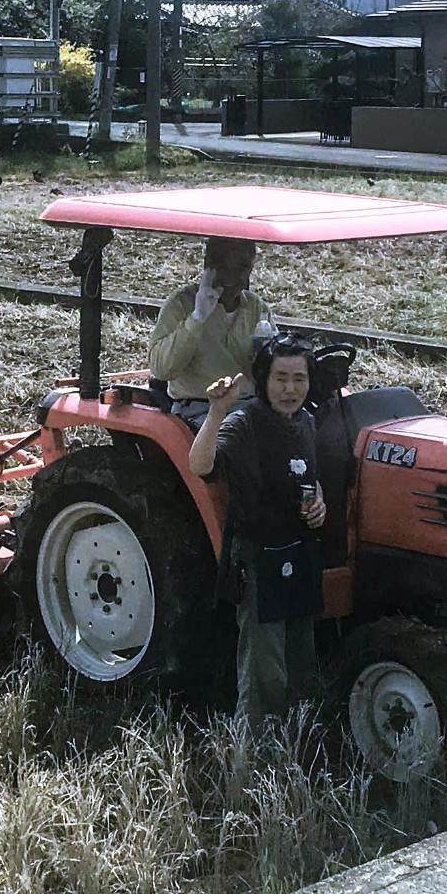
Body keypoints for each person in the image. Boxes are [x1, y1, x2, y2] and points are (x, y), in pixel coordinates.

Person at [189, 334, 327, 725]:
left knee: (302, 663)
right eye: (280, 378)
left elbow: (308, 475)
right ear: (264, 380)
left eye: (299, 379)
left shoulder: (306, 423)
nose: (290, 389)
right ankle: (254, 758)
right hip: (260, 560)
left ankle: (296, 746)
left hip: (300, 555)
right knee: (265, 672)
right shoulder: (243, 423)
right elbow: (200, 466)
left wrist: (320, 501)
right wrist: (216, 413)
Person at [149, 237, 274, 428]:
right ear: (208, 266)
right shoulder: (182, 304)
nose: (231, 278)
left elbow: (274, 366)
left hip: (251, 407)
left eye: (240, 268)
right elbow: (161, 369)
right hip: (199, 410)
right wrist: (198, 317)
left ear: (250, 269)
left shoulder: (256, 307)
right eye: (222, 267)